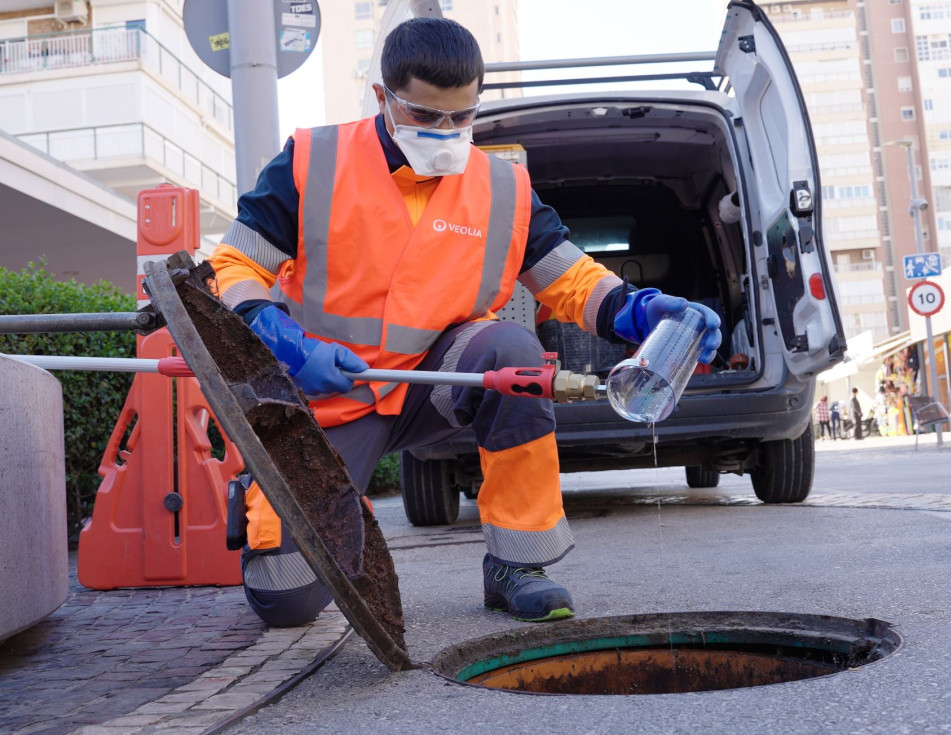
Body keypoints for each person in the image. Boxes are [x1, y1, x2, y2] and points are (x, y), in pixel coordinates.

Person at [208, 17, 721, 627]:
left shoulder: (502, 187)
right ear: (383, 97)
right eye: (426, 115)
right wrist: (286, 346)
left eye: (462, 116)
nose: (446, 132)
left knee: (514, 354)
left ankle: (517, 565)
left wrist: (639, 310)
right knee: (286, 601)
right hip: (324, 392)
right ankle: (290, 498)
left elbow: (570, 278)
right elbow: (234, 265)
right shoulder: (313, 161)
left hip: (434, 382)